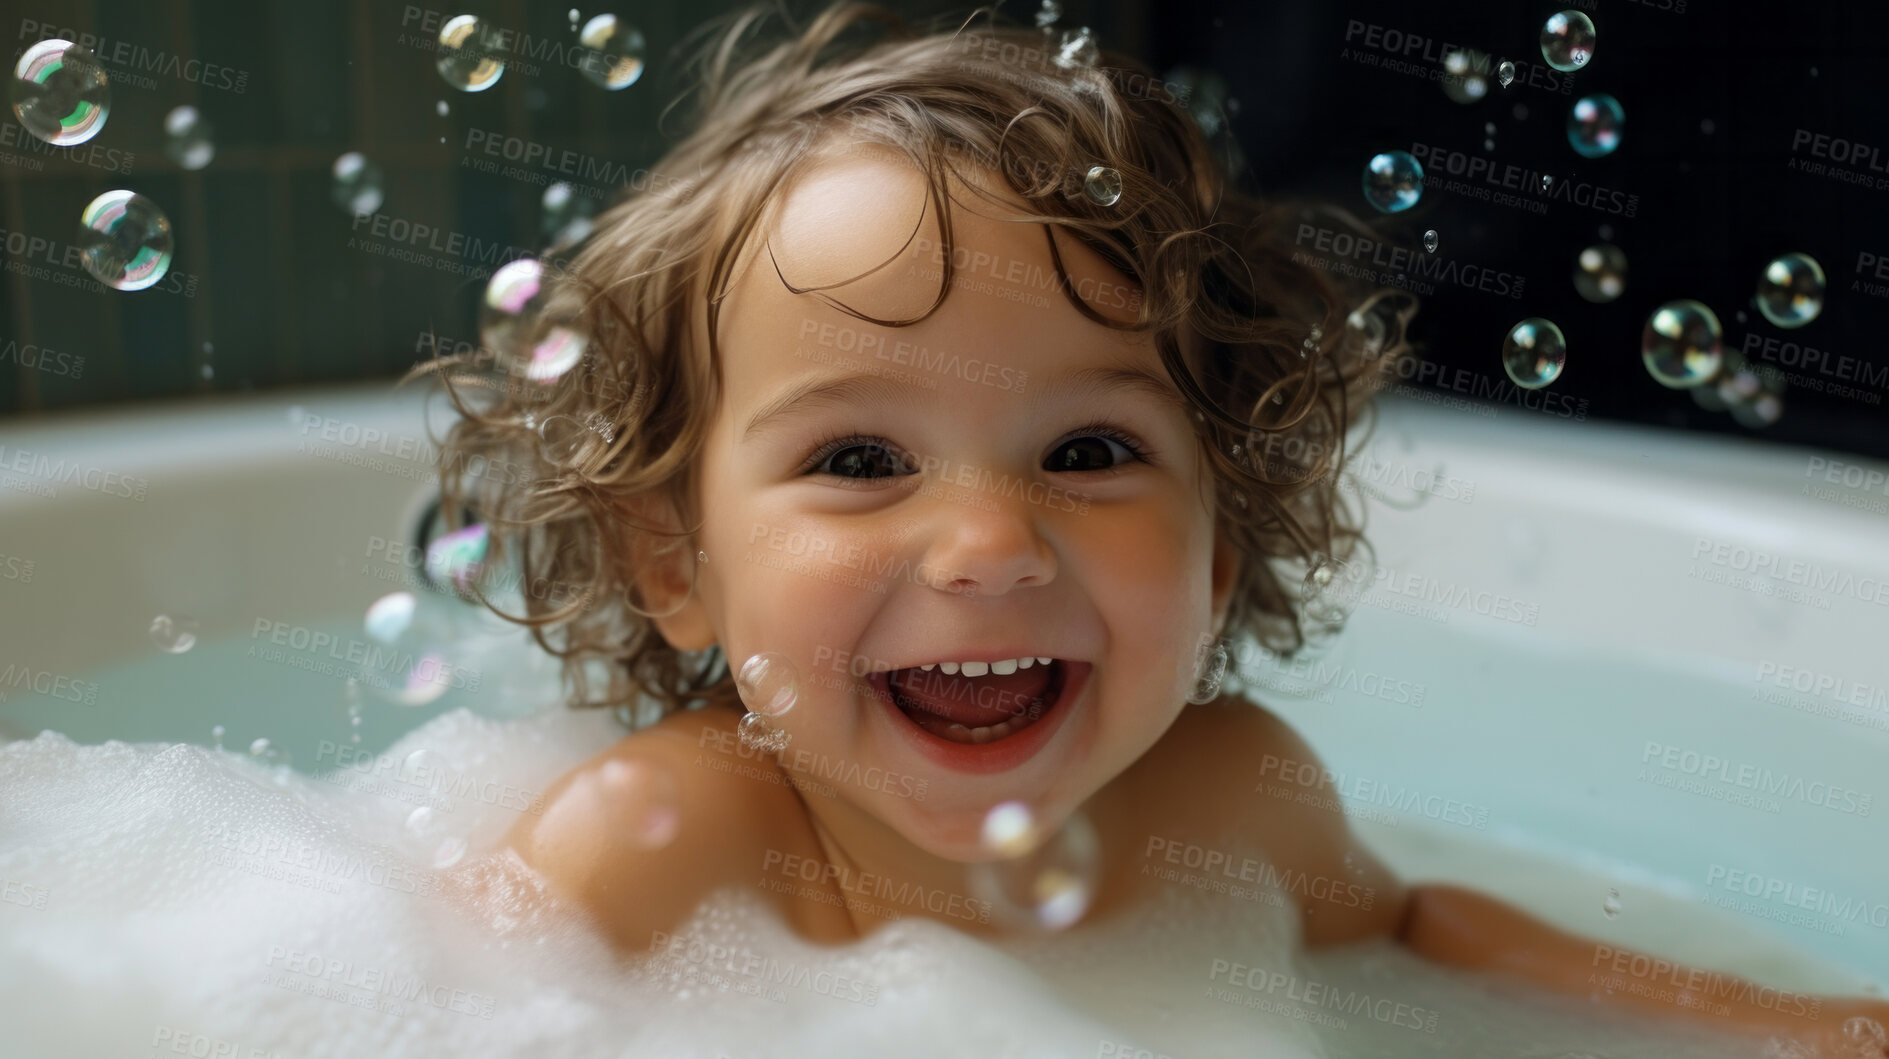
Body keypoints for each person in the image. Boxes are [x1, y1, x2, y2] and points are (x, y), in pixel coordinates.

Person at [414, 4, 1888, 1053]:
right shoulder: (655, 852)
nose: (990, 543)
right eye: (860, 456)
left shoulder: (1231, 800)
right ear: (677, 562)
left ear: (1221, 544)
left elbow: (1407, 936)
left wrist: (1767, 1020)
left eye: (1089, 449)